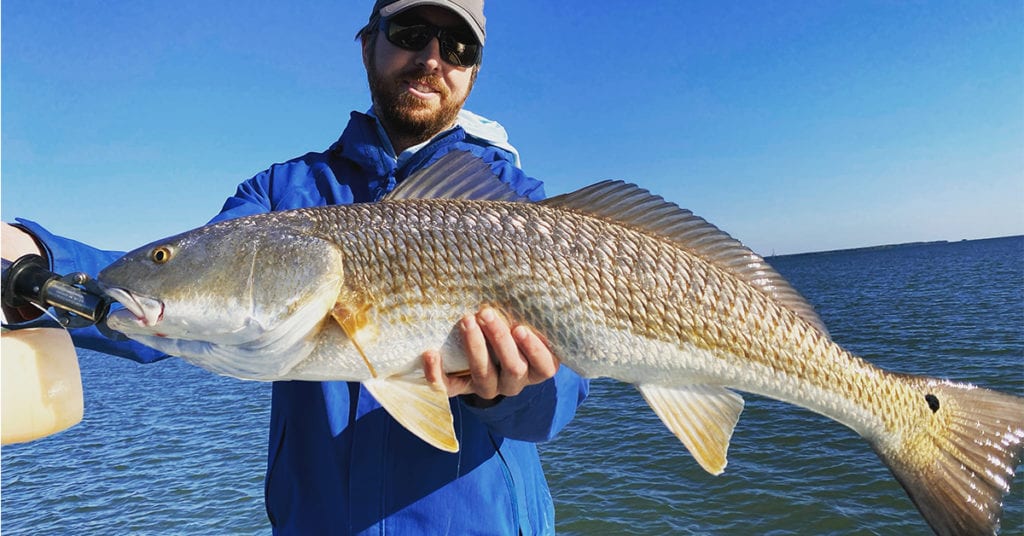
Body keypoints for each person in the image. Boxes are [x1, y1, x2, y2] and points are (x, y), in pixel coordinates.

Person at [1, 1, 590, 534]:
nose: (432, 58)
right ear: (368, 43)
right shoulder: (277, 195)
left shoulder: (519, 206)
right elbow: (184, 303)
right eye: (411, 32)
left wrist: (508, 392)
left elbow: (560, 400)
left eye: (458, 47)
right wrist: (37, 260)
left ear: (473, 72)